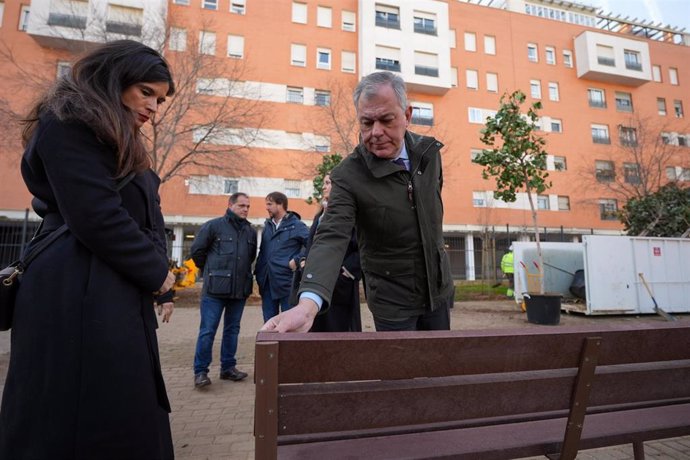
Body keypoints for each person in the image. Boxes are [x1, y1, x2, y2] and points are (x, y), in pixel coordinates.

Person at [0, 40, 176, 458]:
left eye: (160, 99)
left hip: (112, 290)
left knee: (121, 410)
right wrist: (158, 273)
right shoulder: (68, 122)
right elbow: (97, 216)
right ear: (114, 79)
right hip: (73, 292)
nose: (153, 107)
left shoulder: (122, 136)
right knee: (74, 415)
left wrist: (160, 281)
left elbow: (146, 215)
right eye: (145, 92)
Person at [262, 71, 454, 333]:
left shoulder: (429, 154)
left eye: (386, 120)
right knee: (403, 372)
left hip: (438, 293)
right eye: (366, 122)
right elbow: (331, 236)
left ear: (407, 115)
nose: (376, 132)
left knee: (441, 368)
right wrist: (308, 304)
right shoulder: (348, 175)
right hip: (393, 303)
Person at [190, 192, 257, 388]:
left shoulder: (250, 231)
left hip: (239, 290)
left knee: (232, 330)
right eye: (242, 205)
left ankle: (228, 368)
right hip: (214, 291)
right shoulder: (213, 226)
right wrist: (212, 272)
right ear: (230, 205)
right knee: (208, 330)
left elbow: (249, 257)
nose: (245, 209)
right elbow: (197, 252)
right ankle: (200, 371)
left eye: (248, 206)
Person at [302, 174, 362, 332]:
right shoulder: (319, 216)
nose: (323, 187)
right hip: (316, 282)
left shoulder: (352, 215)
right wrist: (305, 260)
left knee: (337, 333)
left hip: (340, 286)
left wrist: (347, 272)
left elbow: (363, 246)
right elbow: (312, 245)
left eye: (328, 183)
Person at [254, 192, 309, 322]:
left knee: (289, 325)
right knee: (269, 324)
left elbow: (313, 245)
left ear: (280, 205)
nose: (266, 207)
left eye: (269, 204)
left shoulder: (297, 225)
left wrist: (297, 260)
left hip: (287, 283)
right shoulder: (268, 226)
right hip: (266, 282)